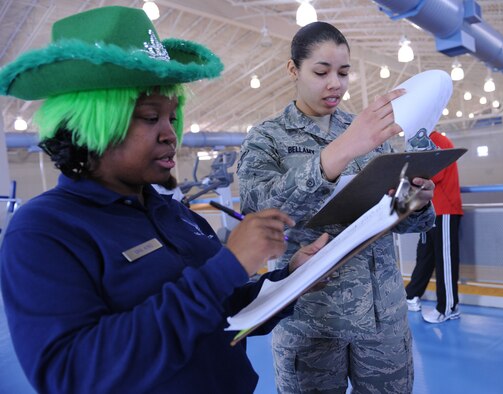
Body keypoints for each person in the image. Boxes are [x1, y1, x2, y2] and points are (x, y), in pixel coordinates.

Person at [0, 6, 330, 393]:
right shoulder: (44, 232)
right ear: (89, 124)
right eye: (148, 117)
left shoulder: (171, 212)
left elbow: (221, 310)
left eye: (171, 117)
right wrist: (228, 266)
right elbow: (74, 373)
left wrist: (291, 279)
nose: (170, 133)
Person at [237, 21, 436, 393]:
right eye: (321, 71)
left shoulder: (369, 130)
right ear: (293, 69)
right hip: (311, 320)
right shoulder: (267, 138)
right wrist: (339, 153)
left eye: (344, 72)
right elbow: (257, 208)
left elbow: (402, 221)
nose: (336, 84)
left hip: (383, 320)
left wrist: (417, 202)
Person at [405, 131, 463, 323]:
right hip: (429, 210)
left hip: (445, 208)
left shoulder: (438, 140)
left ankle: (448, 307)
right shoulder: (422, 140)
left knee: (445, 259)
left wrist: (410, 174)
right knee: (425, 254)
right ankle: (412, 295)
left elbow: (435, 175)